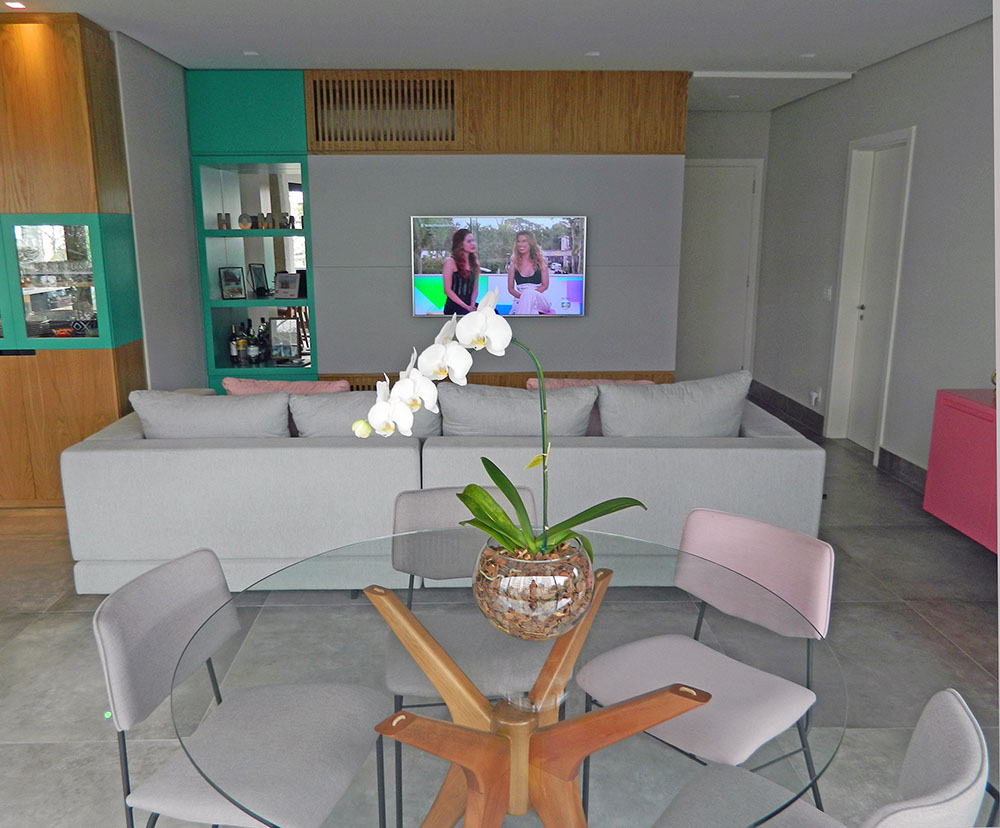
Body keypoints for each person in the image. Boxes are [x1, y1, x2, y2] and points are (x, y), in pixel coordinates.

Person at [507, 231, 552, 314]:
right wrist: (524, 298)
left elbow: (545, 286)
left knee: (528, 294)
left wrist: (529, 295)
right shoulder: (513, 265)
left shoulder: (541, 262)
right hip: (520, 298)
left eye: (524, 241)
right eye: (519, 241)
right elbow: (511, 289)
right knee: (531, 309)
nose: (520, 244)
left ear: (531, 243)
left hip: (540, 299)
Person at [442, 228, 479, 315]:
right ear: (460, 244)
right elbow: (447, 290)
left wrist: (472, 305)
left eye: (473, 241)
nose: (473, 244)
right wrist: (466, 307)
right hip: (454, 306)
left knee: (493, 312)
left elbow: (475, 289)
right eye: (469, 241)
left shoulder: (475, 263)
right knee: (467, 315)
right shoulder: (450, 262)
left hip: (469, 304)